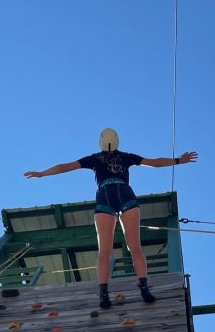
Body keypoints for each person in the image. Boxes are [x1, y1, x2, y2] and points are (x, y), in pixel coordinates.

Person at [24, 128, 198, 308]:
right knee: (134, 246)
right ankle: (143, 287)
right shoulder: (126, 156)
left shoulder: (94, 158)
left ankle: (104, 293)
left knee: (105, 249)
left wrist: (42, 173)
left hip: (105, 194)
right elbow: (154, 162)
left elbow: (65, 166)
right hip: (124, 192)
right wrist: (178, 161)